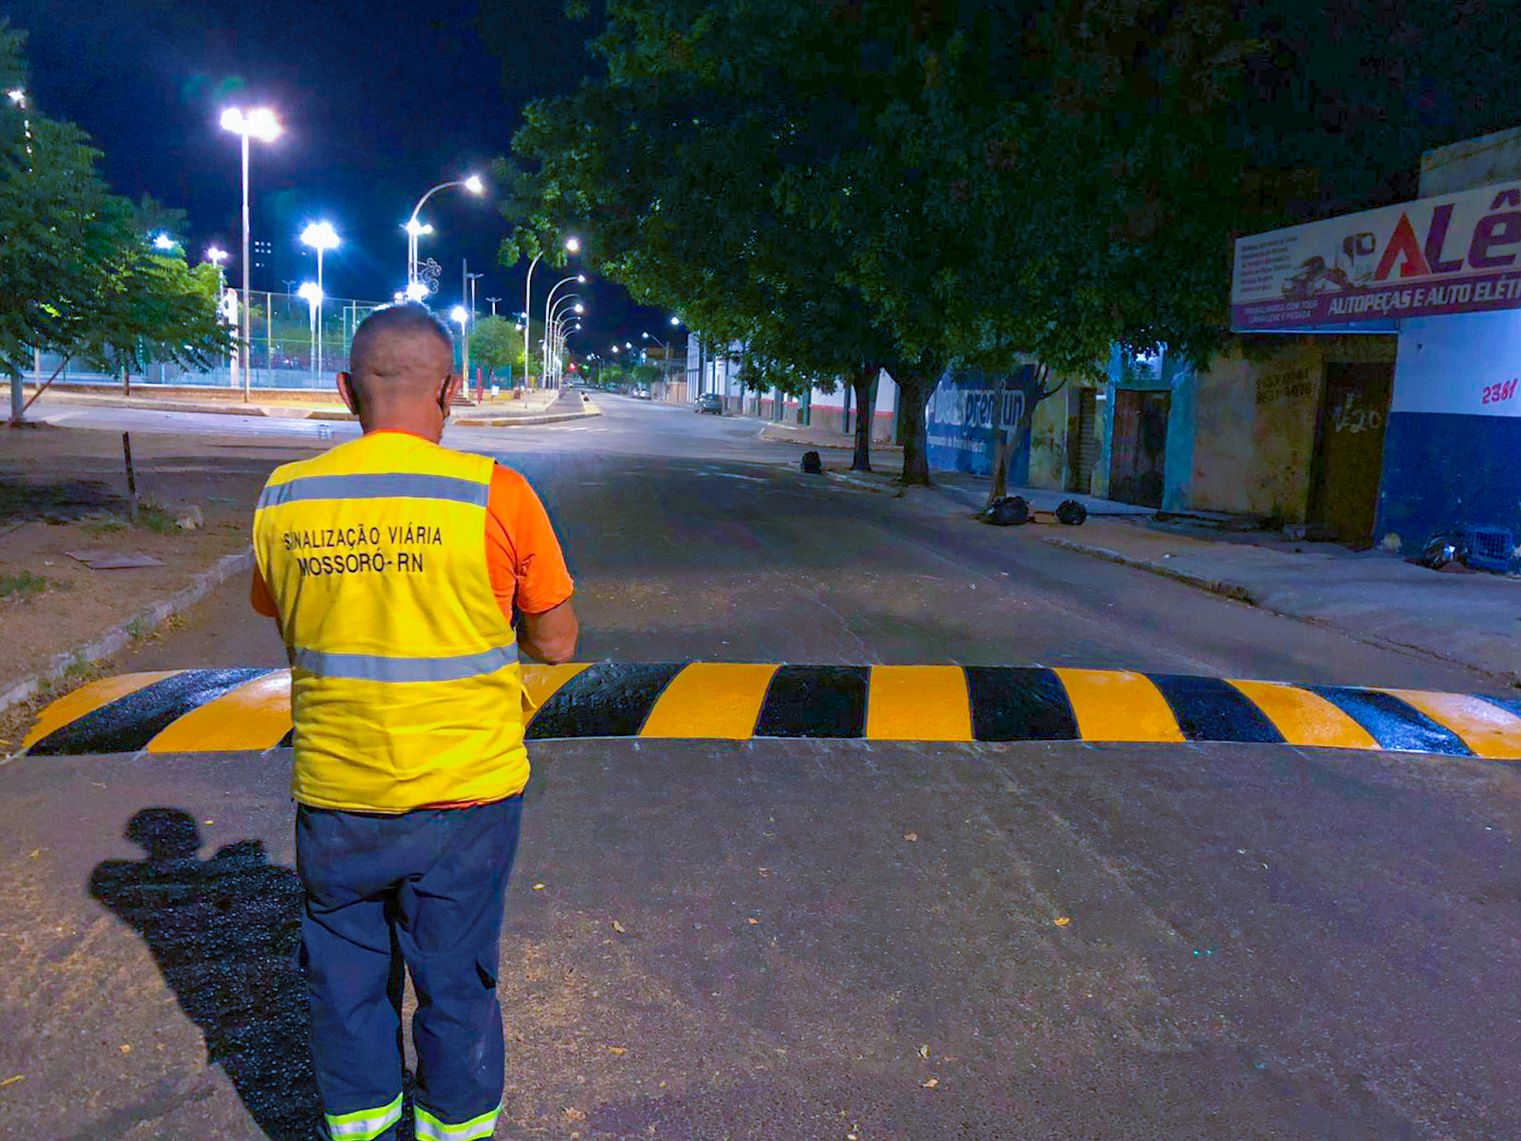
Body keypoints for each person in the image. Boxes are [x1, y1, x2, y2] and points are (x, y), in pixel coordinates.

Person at [250, 303, 578, 1141]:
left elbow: (285, 615)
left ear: (344, 390)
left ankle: (359, 1130)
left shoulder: (284, 497)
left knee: (344, 984)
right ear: (453, 390)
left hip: (338, 792)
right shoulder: (495, 493)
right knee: (456, 983)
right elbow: (554, 640)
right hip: (465, 799)